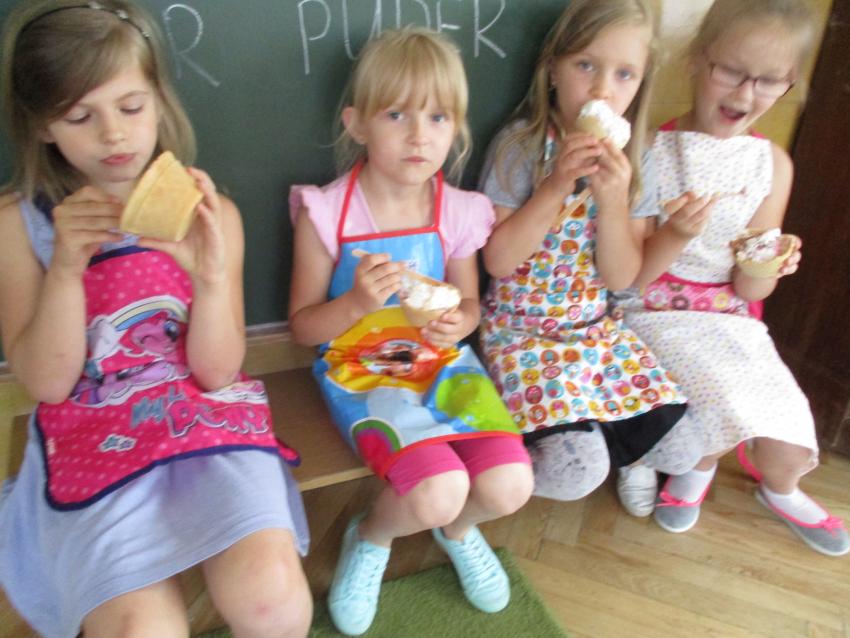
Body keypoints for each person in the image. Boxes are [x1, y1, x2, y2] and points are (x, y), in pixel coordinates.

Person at [0, 2, 312, 636]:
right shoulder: (17, 225)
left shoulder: (212, 214)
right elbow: (47, 385)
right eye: (81, 116)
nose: (113, 135)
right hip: (93, 430)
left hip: (203, 417)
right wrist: (65, 269)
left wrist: (211, 277)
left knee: (274, 602)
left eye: (131, 106)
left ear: (160, 101)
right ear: (42, 127)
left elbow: (218, 372)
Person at [288, 27, 533, 637]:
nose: (420, 135)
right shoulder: (328, 213)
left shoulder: (457, 210)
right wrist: (354, 303)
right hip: (361, 369)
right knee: (436, 488)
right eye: (397, 114)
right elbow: (302, 328)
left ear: (456, 128)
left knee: (510, 484)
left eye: (437, 117)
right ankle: (371, 536)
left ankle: (458, 531)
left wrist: (460, 321)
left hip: (442, 361)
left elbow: (470, 304)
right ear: (357, 123)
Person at [616, 0, 849, 556]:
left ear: (789, 83)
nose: (746, 94)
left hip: (731, 319)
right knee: (714, 407)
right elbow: (630, 277)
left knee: (790, 442)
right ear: (698, 60)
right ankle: (696, 467)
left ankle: (780, 489)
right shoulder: (650, 149)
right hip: (656, 312)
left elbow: (750, 292)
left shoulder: (773, 165)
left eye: (769, 81)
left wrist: (766, 265)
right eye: (732, 72)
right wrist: (675, 233)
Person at [478, 0, 700, 517]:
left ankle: (598, 429)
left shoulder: (636, 159)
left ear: (640, 84)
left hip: (596, 333)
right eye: (586, 66)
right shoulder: (520, 145)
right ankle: (494, 469)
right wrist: (555, 185)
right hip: (522, 335)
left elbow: (622, 278)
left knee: (684, 450)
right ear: (553, 69)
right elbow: (498, 262)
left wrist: (614, 202)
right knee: (576, 471)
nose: (603, 90)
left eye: (624, 75)